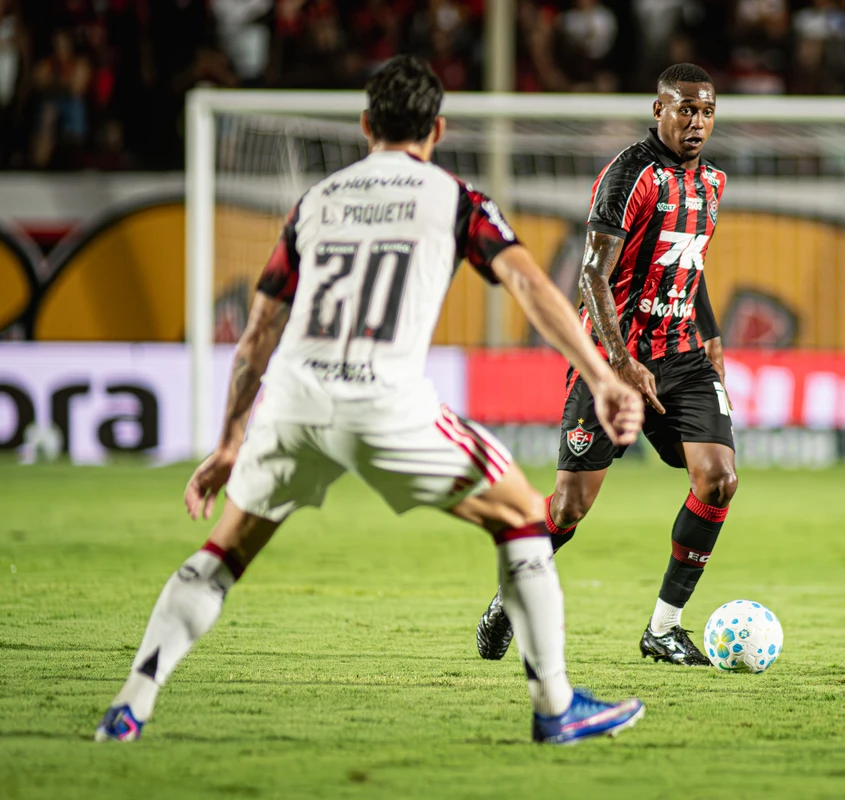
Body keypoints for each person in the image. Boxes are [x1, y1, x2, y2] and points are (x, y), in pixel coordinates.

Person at [95, 56, 646, 746]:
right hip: (385, 402)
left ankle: (130, 706)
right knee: (523, 520)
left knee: (223, 553)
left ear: (365, 126)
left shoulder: (316, 203)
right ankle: (556, 705)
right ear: (437, 129)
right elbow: (532, 287)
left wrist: (232, 439)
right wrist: (600, 376)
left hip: (296, 399)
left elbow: (255, 339)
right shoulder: (456, 199)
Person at [477, 63, 736, 667]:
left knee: (719, 477)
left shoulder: (713, 184)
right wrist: (619, 363)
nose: (696, 122)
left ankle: (664, 629)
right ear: (658, 111)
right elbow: (591, 275)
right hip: (609, 360)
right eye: (684, 109)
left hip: (682, 357)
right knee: (569, 507)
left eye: (705, 111)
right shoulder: (628, 175)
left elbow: (686, 267)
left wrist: (713, 338)